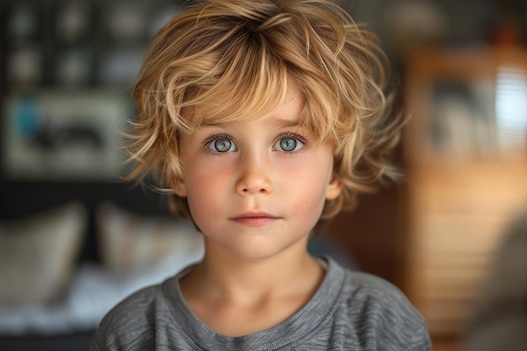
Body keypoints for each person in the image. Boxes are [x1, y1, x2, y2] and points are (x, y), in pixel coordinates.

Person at [91, 0, 431, 349]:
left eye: (287, 142)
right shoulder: (131, 334)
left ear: (335, 173)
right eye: (221, 144)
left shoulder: (381, 323)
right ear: (177, 171)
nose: (253, 178)